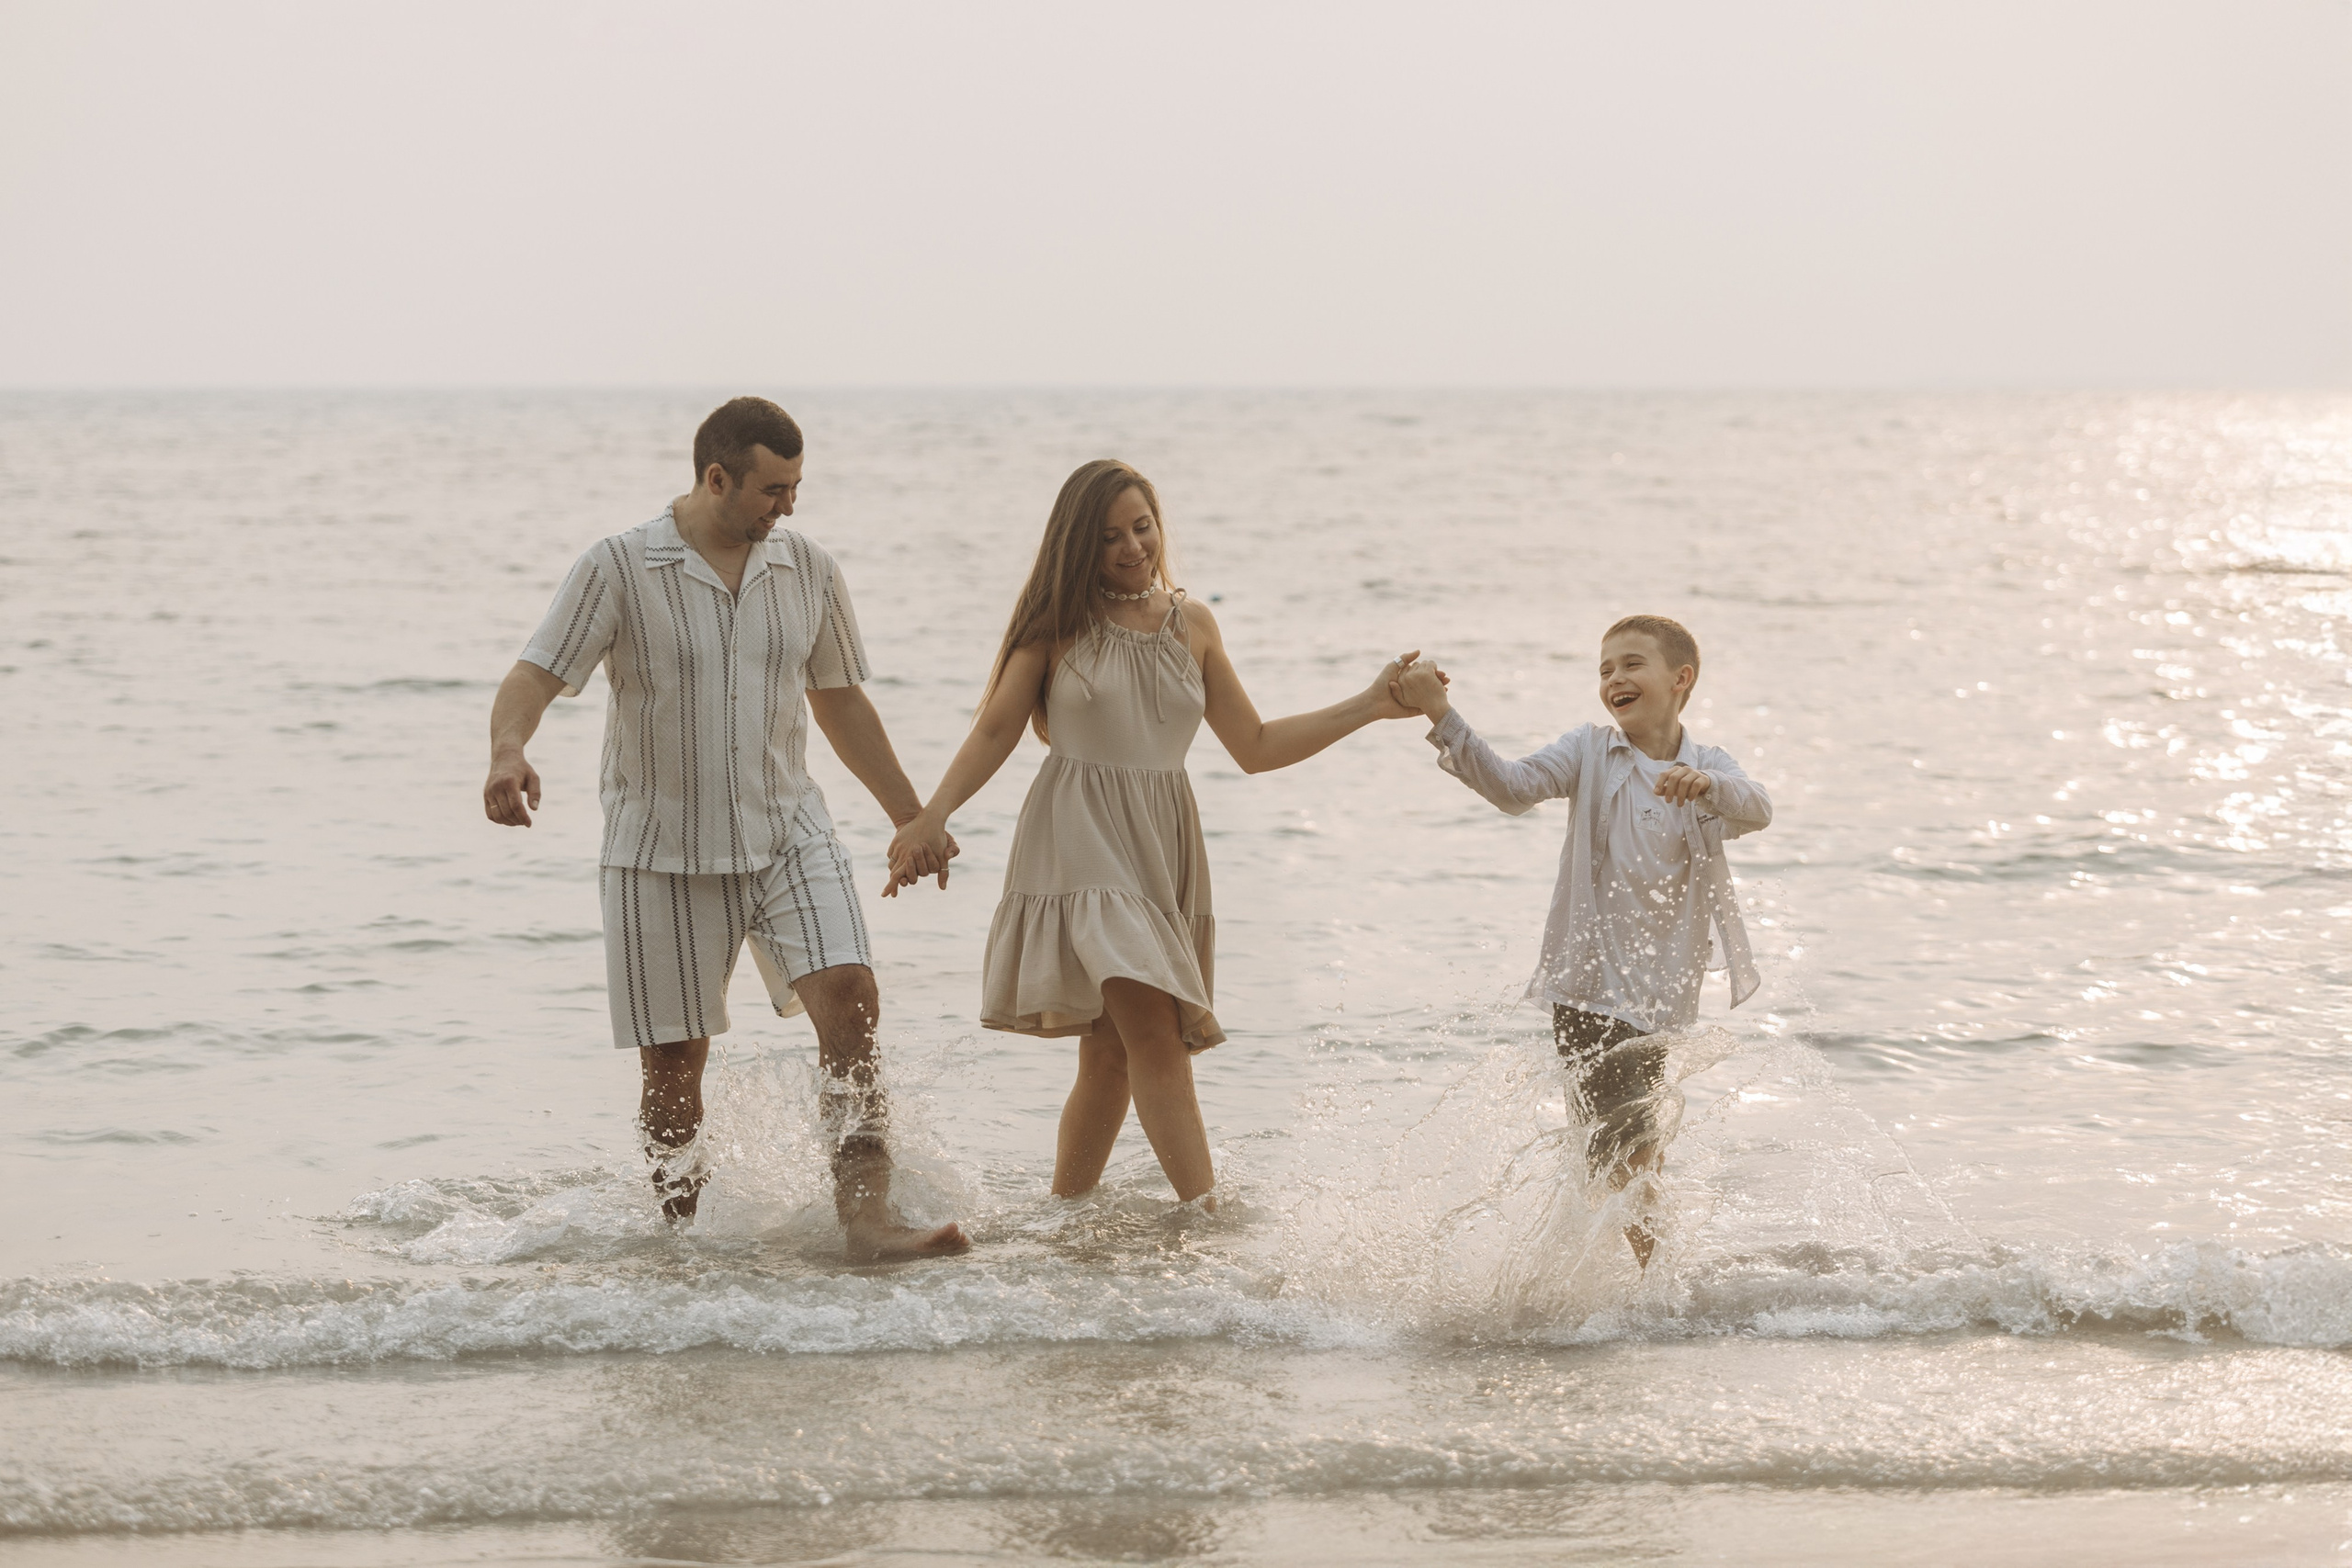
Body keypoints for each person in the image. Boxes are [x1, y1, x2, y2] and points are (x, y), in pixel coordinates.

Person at [481, 395, 967, 1262]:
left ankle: (867, 1218)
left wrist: (912, 815)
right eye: (774, 490)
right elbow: (536, 672)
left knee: (852, 999)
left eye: (797, 488)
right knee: (673, 1071)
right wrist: (508, 750)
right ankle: (683, 1247)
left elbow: (841, 703)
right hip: (658, 851)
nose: (788, 508)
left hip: (787, 830)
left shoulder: (807, 568)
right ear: (716, 477)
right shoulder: (620, 567)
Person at [880, 458, 1426, 1208]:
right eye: (1110, 537)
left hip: (1161, 845)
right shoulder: (1056, 629)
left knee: (1109, 1052)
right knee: (1156, 1031)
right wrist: (932, 814)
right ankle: (1209, 1215)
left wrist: (1369, 703)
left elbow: (1257, 744)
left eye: (1143, 526)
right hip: (1081, 839)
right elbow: (996, 729)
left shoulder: (1192, 624)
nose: (1133, 546)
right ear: (1080, 547)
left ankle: (1065, 1219)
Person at [1391, 615, 1770, 1268]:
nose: (1614, 678)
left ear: (1682, 679)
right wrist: (1440, 711)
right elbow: (1511, 787)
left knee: (1629, 1152)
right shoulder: (1591, 751)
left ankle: (1617, 1287)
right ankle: (1650, 1286)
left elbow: (1758, 807)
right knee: (1620, 1151)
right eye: (1603, 670)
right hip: (1590, 990)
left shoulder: (1708, 767)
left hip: (1661, 1001)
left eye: (1630, 664)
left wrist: (1709, 786)